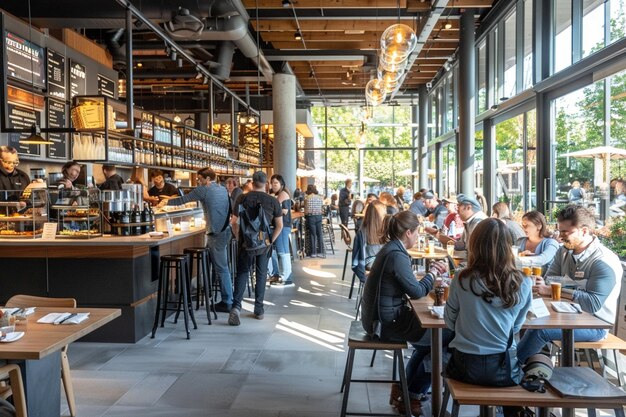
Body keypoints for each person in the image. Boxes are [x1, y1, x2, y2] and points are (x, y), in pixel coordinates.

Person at [360, 210, 447, 415]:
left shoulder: (391, 249)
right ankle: (412, 394)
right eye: (417, 233)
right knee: (445, 337)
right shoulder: (396, 255)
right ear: (408, 232)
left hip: (379, 318)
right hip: (385, 325)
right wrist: (433, 273)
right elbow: (417, 292)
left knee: (431, 341)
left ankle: (406, 390)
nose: (417, 237)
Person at [517, 205, 623, 363]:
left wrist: (556, 289)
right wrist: (544, 284)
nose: (560, 236)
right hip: (563, 314)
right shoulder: (563, 251)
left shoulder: (603, 261)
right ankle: (532, 368)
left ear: (584, 231)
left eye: (565, 232)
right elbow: (549, 280)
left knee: (540, 331)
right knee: (524, 319)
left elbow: (593, 303)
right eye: (559, 231)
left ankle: (509, 369)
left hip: (596, 326)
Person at [444, 218, 532, 396]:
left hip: (464, 366)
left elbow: (449, 321)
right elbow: (516, 327)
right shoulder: (523, 282)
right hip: (502, 369)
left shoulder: (461, 278)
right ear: (509, 247)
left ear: (474, 244)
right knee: (537, 359)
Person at [159, 168, 234, 313]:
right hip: (225, 230)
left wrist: (165, 202)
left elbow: (183, 200)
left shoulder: (203, 189)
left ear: (207, 179)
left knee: (221, 268)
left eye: (199, 179)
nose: (198, 181)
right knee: (216, 266)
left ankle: (227, 301)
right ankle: (208, 292)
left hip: (216, 233)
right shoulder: (223, 189)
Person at [229, 171, 283, 325]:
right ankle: (258, 309)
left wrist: (239, 236)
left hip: (246, 243)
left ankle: (236, 307)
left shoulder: (241, 198)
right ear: (266, 184)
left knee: (242, 273)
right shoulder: (272, 201)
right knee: (260, 274)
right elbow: (279, 225)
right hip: (263, 243)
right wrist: (270, 240)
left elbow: (234, 222)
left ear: (252, 183)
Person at [351, 200, 387, 283]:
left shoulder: (362, 231)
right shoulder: (384, 230)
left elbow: (356, 261)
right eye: (384, 214)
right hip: (375, 267)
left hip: (369, 265)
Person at [268, 174, 294, 286]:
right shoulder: (282, 193)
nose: (273, 185)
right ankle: (285, 276)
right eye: (272, 183)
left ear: (281, 184)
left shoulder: (282, 194)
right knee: (282, 251)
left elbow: (276, 209)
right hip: (284, 226)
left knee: (283, 251)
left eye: (276, 183)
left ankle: (287, 277)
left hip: (283, 226)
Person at [304, 184, 325, 258]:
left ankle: (313, 252)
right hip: (319, 216)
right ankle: (321, 251)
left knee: (313, 234)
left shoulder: (307, 198)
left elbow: (306, 211)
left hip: (311, 217)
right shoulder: (320, 197)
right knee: (319, 234)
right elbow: (322, 208)